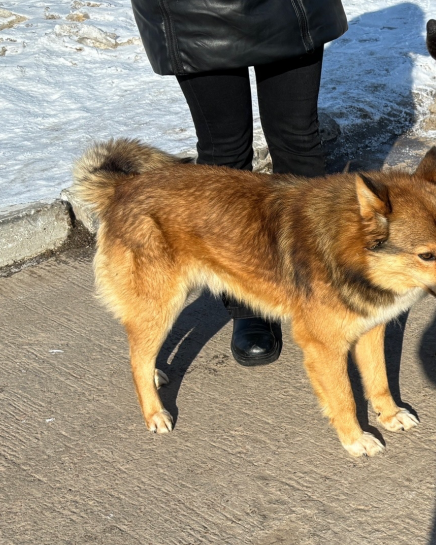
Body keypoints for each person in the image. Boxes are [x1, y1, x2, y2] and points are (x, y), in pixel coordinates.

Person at [129, 0, 348, 365]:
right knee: (224, 151)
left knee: (297, 139)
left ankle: (317, 281)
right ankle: (249, 299)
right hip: (194, 11)